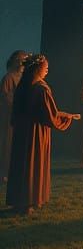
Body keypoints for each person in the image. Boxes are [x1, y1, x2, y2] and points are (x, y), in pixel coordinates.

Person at [6, 54, 77, 213]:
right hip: (36, 133)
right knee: (33, 162)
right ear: (38, 69)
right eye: (45, 68)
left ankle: (21, 200)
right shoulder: (41, 88)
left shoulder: (22, 86)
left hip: (21, 133)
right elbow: (49, 116)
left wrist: (64, 115)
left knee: (21, 163)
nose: (47, 71)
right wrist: (66, 118)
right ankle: (30, 201)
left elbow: (17, 111)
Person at [0, 51, 29, 183]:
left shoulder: (26, 77)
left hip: (22, 116)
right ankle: (5, 172)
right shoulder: (8, 78)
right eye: (19, 60)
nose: (22, 62)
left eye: (24, 60)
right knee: (8, 142)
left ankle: (16, 171)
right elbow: (6, 97)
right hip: (10, 116)